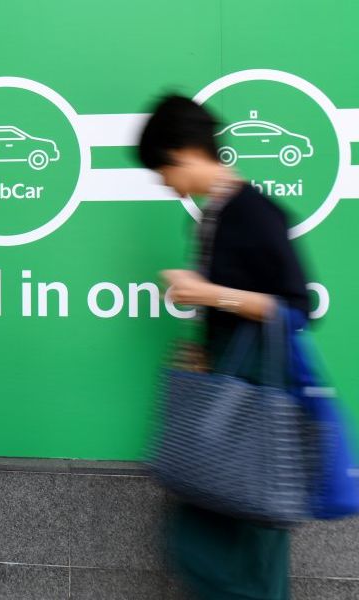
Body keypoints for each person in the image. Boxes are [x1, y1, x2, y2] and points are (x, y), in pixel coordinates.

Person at [137, 94, 311, 600]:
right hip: (227, 409)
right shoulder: (212, 215)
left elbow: (296, 308)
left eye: (162, 170)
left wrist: (208, 294)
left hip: (255, 418)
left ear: (184, 153)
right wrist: (205, 354)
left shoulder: (253, 211)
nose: (164, 183)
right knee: (200, 540)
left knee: (243, 552)